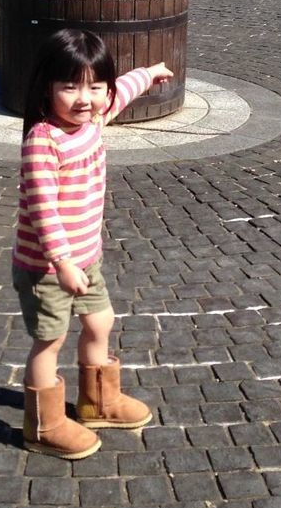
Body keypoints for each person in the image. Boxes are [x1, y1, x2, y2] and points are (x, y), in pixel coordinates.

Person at [13, 28, 173, 459]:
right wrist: (62, 262)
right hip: (47, 266)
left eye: (93, 87)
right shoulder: (43, 140)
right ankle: (41, 425)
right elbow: (43, 208)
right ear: (46, 86)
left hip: (86, 258)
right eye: (70, 87)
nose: (85, 98)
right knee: (51, 340)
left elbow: (120, 92)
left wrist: (150, 72)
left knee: (100, 322)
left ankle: (97, 402)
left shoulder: (94, 118)